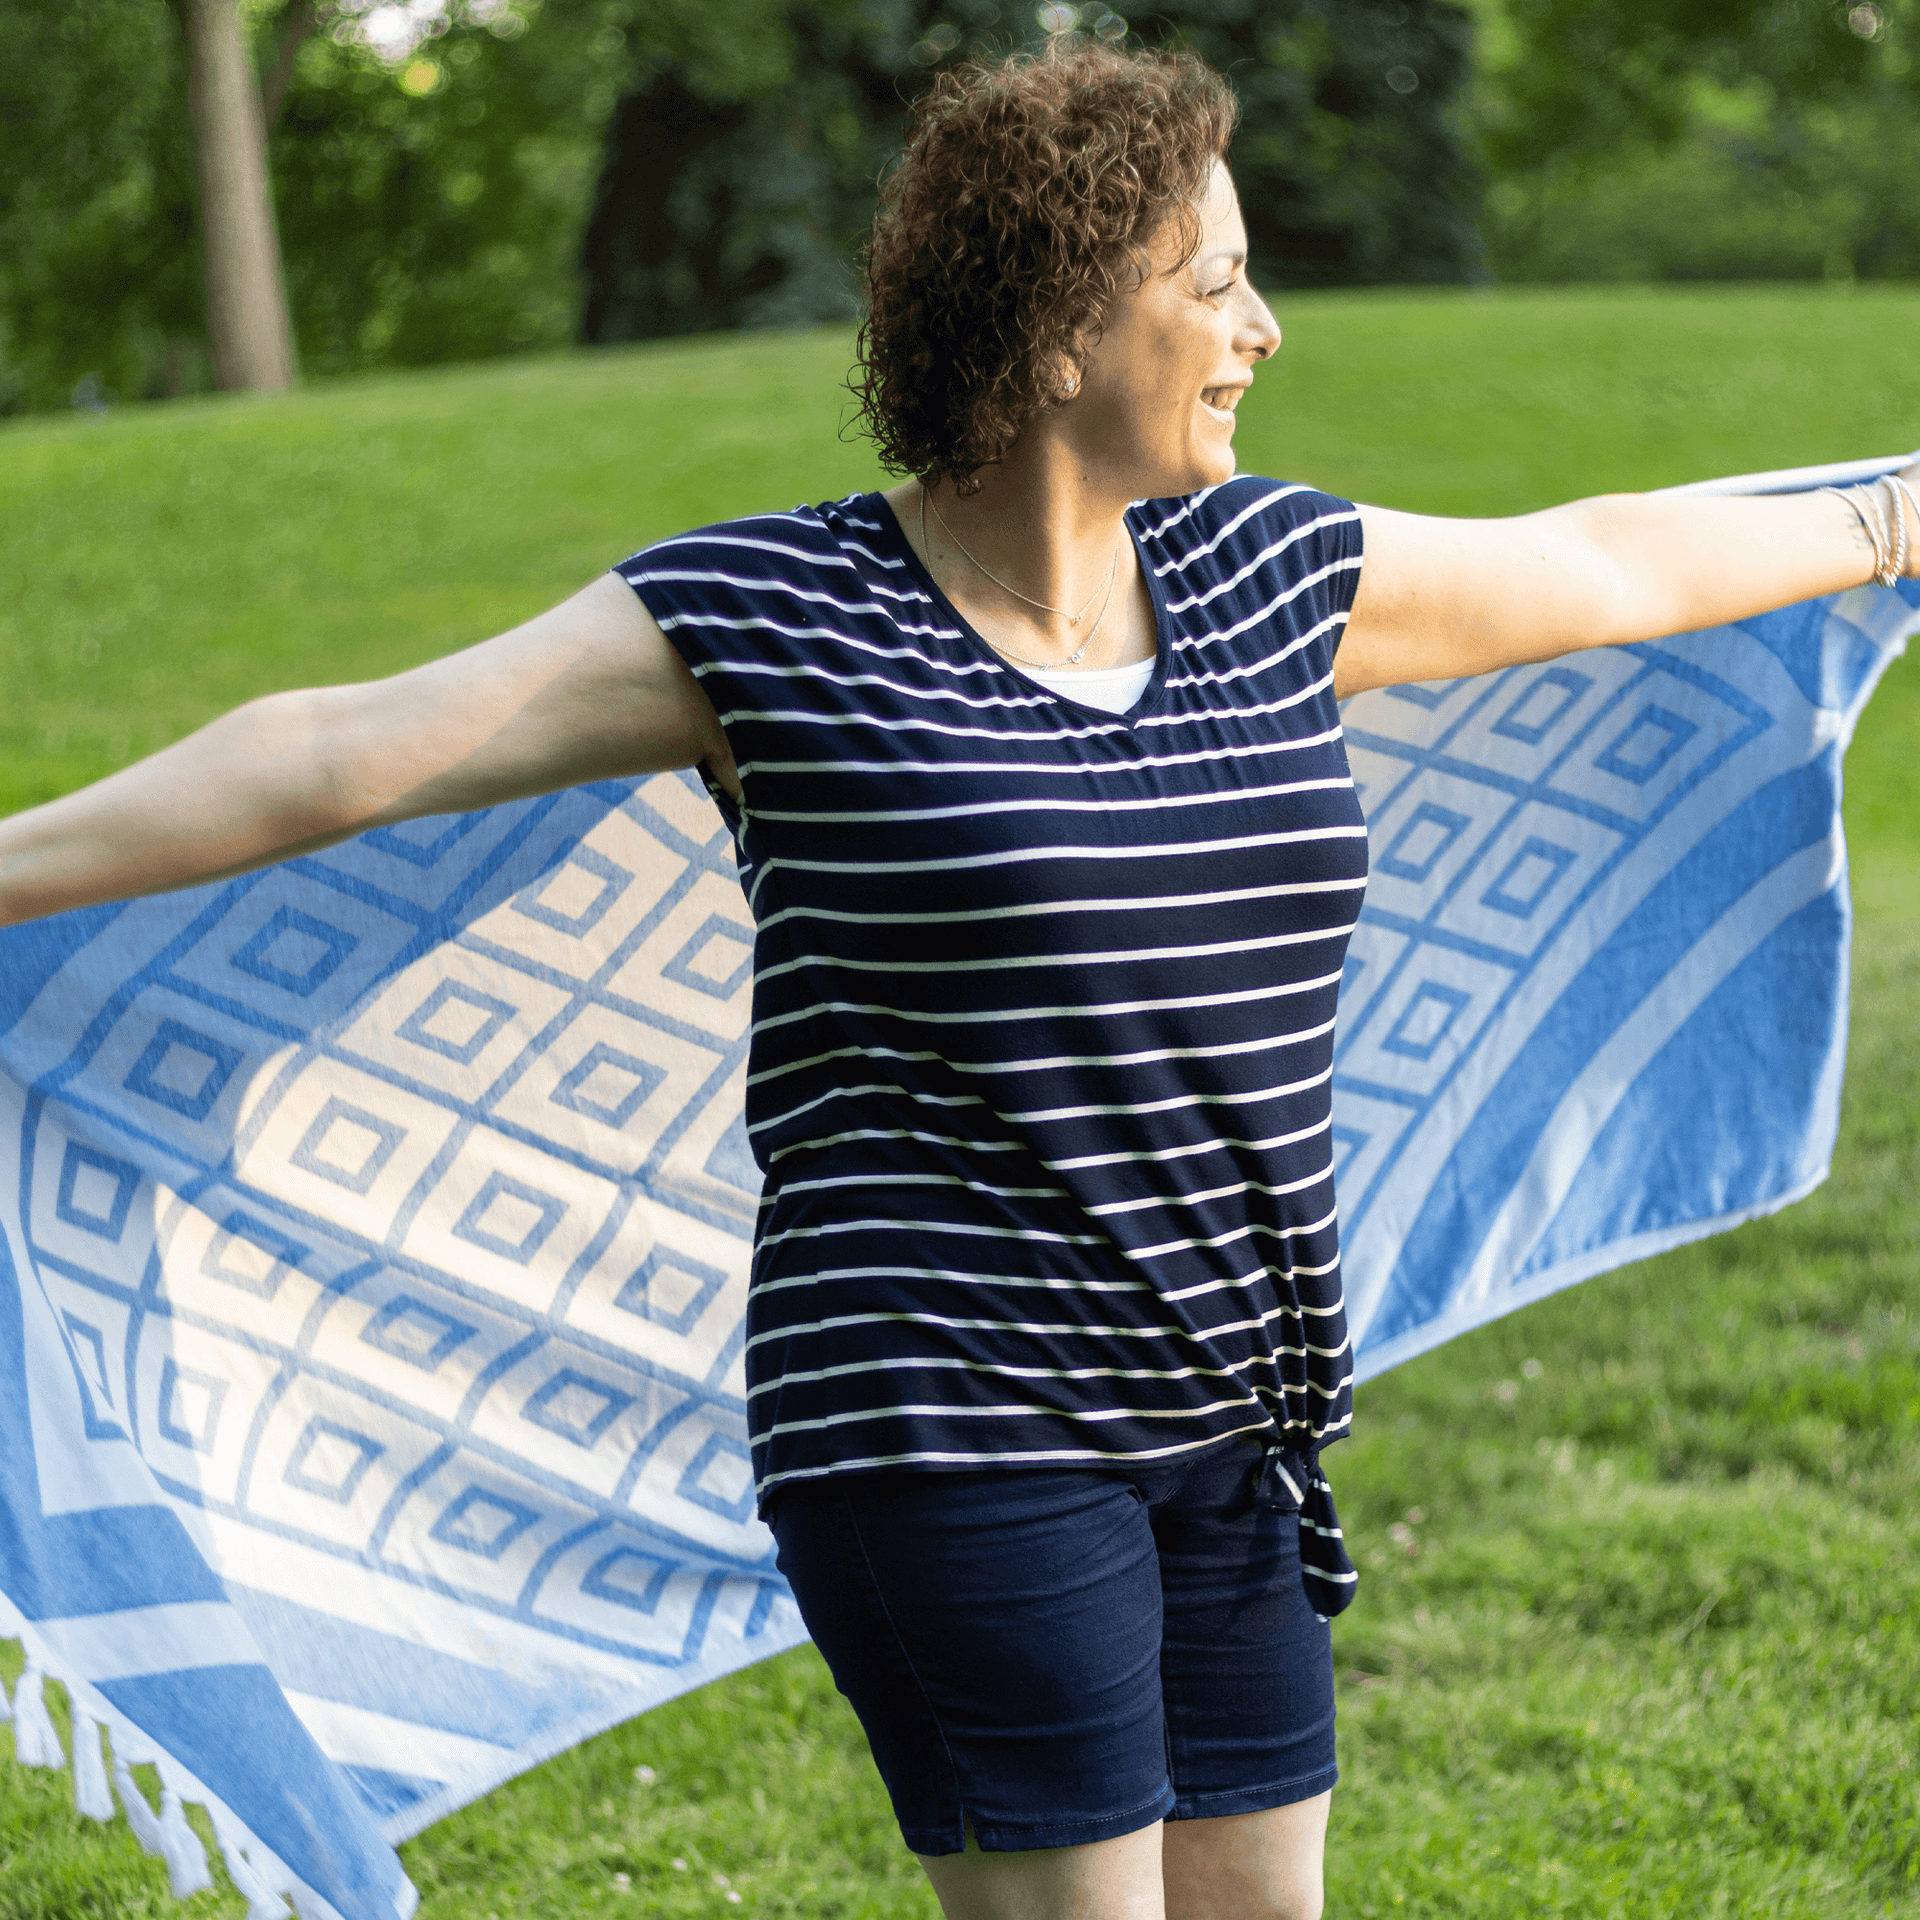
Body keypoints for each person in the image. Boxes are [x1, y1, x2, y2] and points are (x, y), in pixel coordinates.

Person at [1, 38, 1913, 1920]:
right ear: (1067, 323)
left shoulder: (1271, 577)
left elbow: (1598, 560)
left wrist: (1901, 510)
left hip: (1232, 1395)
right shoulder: (773, 620)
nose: (1265, 328)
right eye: (1218, 281)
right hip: (945, 1411)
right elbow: (335, 752)